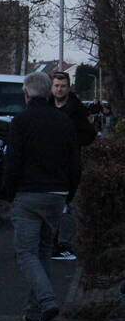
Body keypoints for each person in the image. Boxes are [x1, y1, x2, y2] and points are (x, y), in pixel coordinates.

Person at [3, 72, 80, 321]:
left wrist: (8, 192)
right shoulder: (63, 121)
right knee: (44, 251)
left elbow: (13, 161)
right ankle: (34, 312)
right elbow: (75, 162)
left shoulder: (21, 121)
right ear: (48, 92)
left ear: (26, 94)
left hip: (28, 194)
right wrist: (68, 193)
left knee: (26, 253)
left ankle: (47, 303)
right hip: (57, 195)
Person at [50, 71, 96, 260]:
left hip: (69, 164)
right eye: (56, 86)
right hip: (47, 162)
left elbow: (90, 134)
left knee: (66, 204)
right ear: (52, 87)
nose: (59, 90)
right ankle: (50, 242)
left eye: (63, 86)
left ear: (68, 88)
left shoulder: (77, 109)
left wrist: (71, 141)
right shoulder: (46, 106)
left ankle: (64, 244)